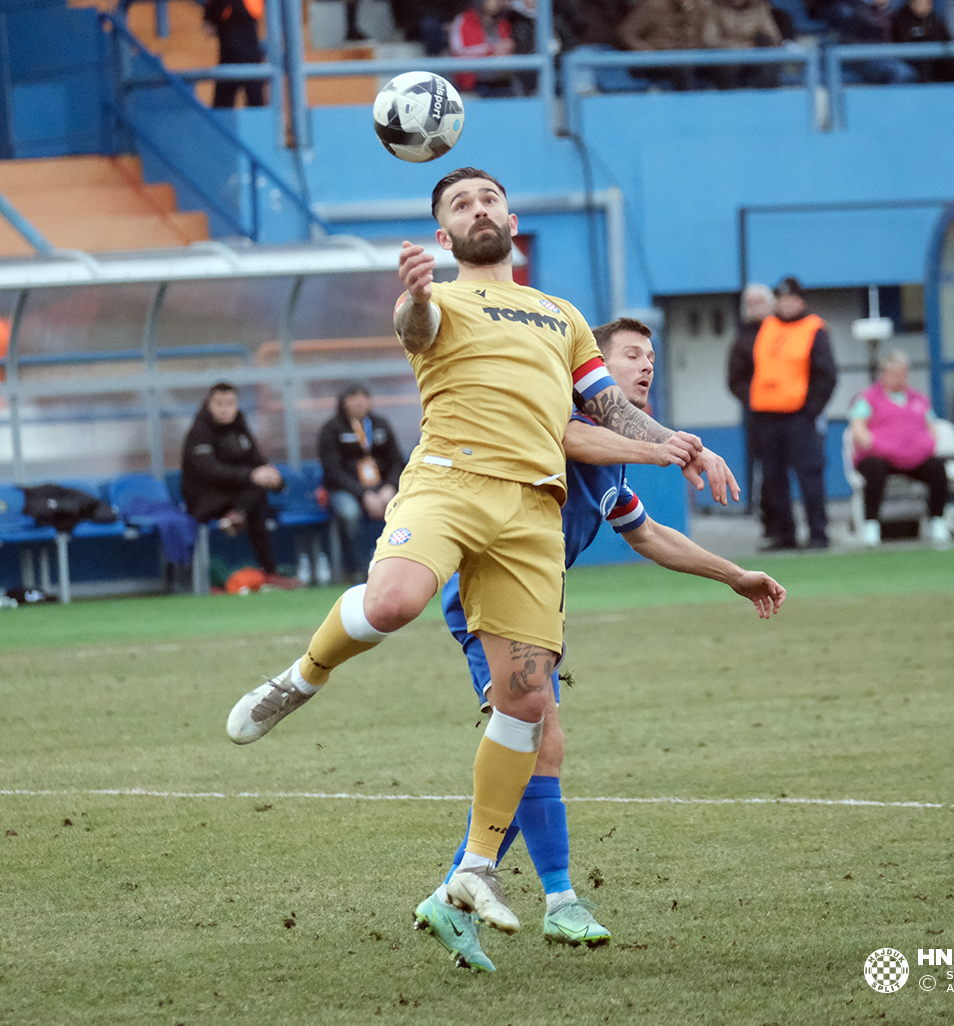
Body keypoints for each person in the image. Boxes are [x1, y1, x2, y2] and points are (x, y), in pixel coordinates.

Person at [225, 167, 735, 945]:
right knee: (393, 601)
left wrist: (669, 444)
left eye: (489, 198)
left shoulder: (561, 315)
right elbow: (414, 329)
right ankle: (303, 676)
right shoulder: (438, 300)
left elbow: (604, 405)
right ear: (443, 236)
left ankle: (477, 868)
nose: (479, 210)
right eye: (460, 205)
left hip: (534, 510)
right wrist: (419, 294)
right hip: (451, 479)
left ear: (513, 217)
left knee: (527, 700)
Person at [416, 317, 785, 971]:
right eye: (630, 356)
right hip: (490, 593)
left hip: (534, 603)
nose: (645, 367)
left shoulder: (614, 453)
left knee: (531, 747)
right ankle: (559, 902)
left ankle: (452, 896)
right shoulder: (559, 414)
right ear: (591, 368)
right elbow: (573, 438)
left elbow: (646, 534)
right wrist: (674, 448)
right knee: (540, 739)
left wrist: (735, 575)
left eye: (651, 357)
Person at [729, 275, 836, 549]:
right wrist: (752, 399)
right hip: (766, 415)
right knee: (773, 479)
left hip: (799, 416)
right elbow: (741, 370)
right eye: (782, 299)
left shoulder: (813, 328)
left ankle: (818, 533)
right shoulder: (765, 328)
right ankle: (783, 534)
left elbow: (826, 375)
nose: (787, 305)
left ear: (801, 301)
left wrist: (811, 409)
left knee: (809, 475)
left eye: (792, 299)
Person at [181, 382, 296, 583]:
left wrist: (275, 479)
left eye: (230, 403)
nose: (225, 408)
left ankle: (268, 572)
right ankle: (268, 570)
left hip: (236, 498)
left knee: (257, 500)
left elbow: (256, 458)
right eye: (219, 403)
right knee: (255, 492)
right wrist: (252, 476)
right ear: (209, 405)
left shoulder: (240, 426)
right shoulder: (199, 432)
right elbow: (211, 470)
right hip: (204, 499)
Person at [846, 349, 951, 546]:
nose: (899, 379)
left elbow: (932, 428)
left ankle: (937, 521)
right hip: (880, 456)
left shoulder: (918, 399)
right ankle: (871, 525)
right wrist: (877, 446)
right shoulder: (867, 399)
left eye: (903, 374)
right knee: (874, 470)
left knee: (937, 467)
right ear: (883, 374)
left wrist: (923, 447)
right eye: (894, 374)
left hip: (914, 458)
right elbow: (858, 428)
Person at [317, 383, 406, 581]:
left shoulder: (381, 424)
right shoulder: (332, 429)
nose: (359, 402)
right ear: (343, 402)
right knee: (349, 513)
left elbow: (397, 461)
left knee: (405, 511)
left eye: (364, 397)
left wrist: (390, 487)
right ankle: (356, 569)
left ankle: (399, 568)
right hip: (345, 489)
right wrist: (363, 494)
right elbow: (332, 470)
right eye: (353, 397)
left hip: (383, 488)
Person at [727, 281, 775, 536]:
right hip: (759, 415)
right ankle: (773, 526)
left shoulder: (785, 332)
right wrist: (758, 397)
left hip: (795, 412)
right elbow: (735, 380)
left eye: (760, 302)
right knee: (767, 472)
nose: (755, 308)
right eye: (751, 303)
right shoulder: (743, 339)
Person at [619, 0, 716, 90]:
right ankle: (686, 107)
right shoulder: (653, 5)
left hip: (693, 56)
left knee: (725, 67)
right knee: (682, 68)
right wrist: (647, 51)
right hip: (659, 59)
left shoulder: (702, 6)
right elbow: (626, 32)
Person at [203, 0, 267, 108]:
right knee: (233, 83)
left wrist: (210, 17)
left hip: (237, 19)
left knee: (248, 84)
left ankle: (260, 127)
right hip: (234, 19)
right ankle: (225, 126)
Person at [703, 0, 783, 88]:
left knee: (769, 66)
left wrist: (755, 45)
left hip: (754, 55)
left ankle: (767, 101)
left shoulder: (759, 8)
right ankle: (731, 103)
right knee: (727, 69)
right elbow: (709, 39)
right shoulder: (716, 9)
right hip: (727, 57)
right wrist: (736, 47)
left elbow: (774, 36)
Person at [449, 0, 518, 95]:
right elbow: (458, 50)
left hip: (502, 78)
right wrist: (490, 49)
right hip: (475, 79)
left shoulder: (503, 22)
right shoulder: (464, 19)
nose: (495, 1)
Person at [892, 0, 954, 82]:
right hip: (912, 59)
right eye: (919, 2)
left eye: (927, 2)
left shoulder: (935, 19)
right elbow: (903, 42)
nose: (923, 5)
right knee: (923, 66)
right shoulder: (901, 19)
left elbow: (946, 39)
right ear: (911, 3)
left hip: (936, 56)